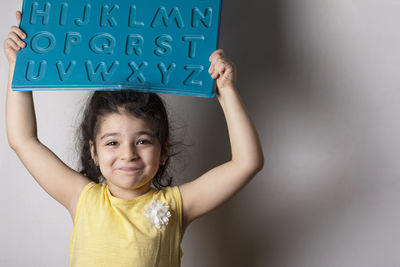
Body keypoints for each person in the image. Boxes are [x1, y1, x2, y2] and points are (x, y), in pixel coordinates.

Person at [5, 10, 264, 267]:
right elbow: (23, 139)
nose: (128, 154)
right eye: (112, 143)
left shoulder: (177, 206)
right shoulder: (81, 198)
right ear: (93, 152)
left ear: (164, 151)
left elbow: (247, 163)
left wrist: (227, 91)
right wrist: (20, 67)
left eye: (142, 141)